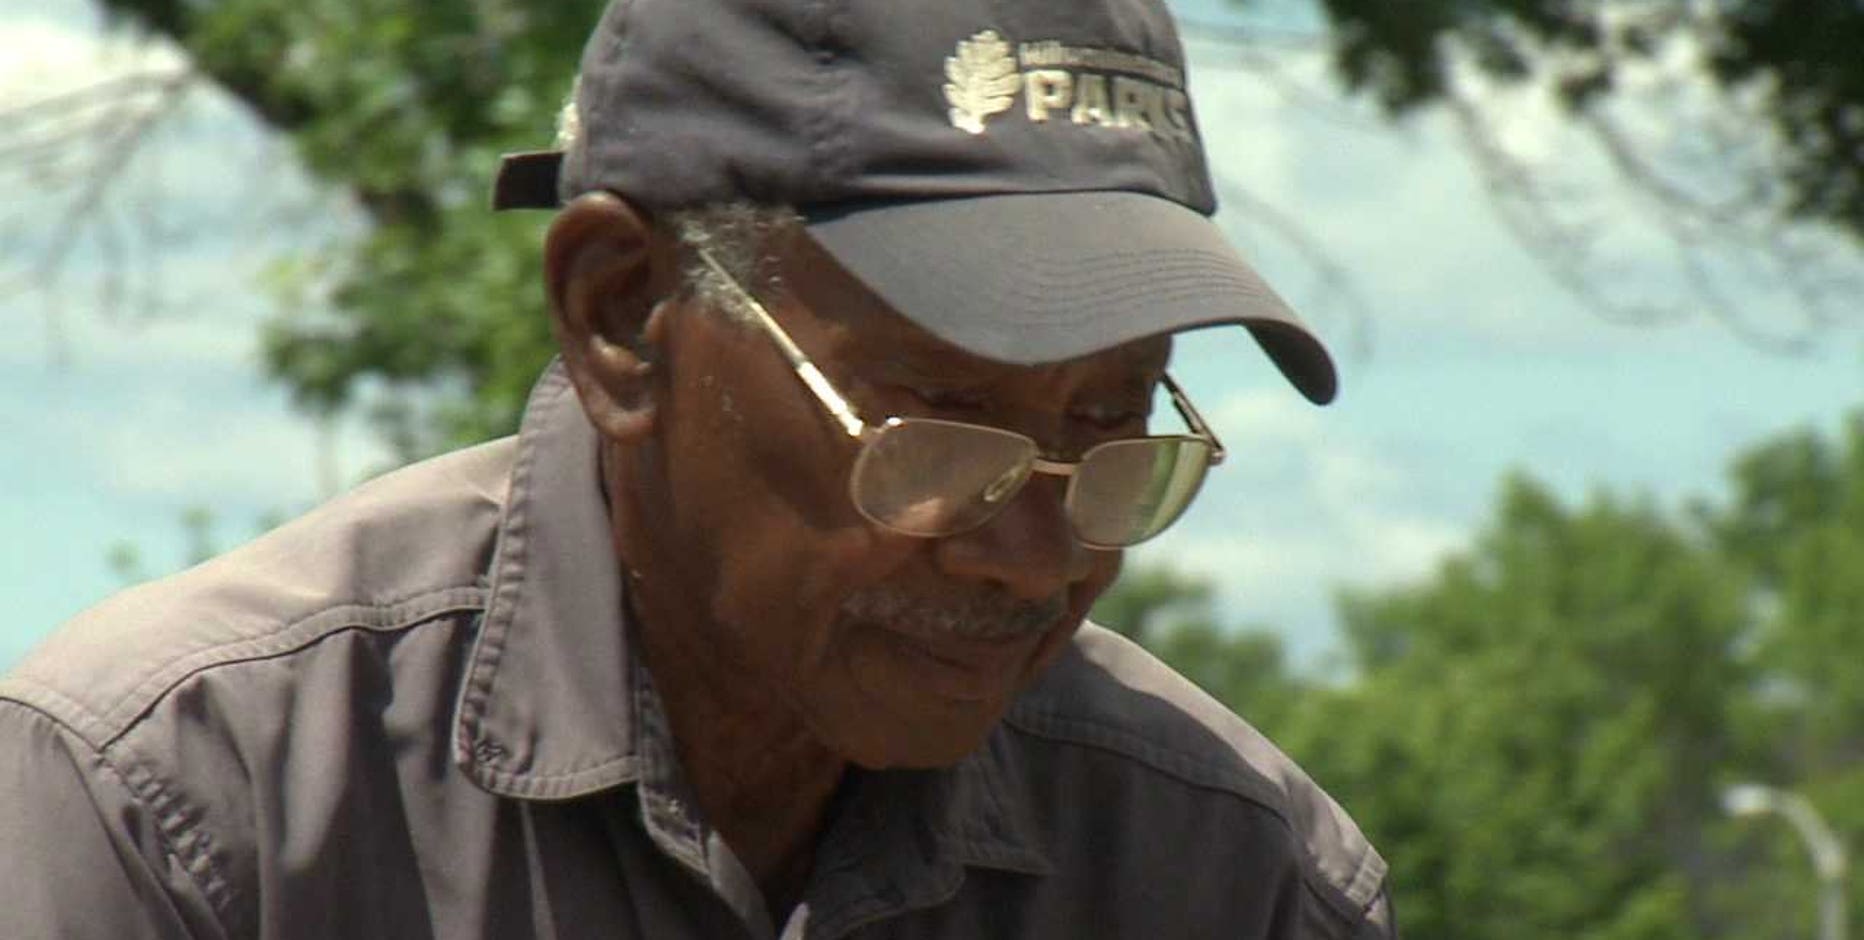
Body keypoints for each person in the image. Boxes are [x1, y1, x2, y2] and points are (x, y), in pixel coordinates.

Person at [0, 0, 1397, 935]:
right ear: (621, 318)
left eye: (1110, 429)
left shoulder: (1227, 873)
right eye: (935, 428)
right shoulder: (185, 800)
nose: (1031, 556)